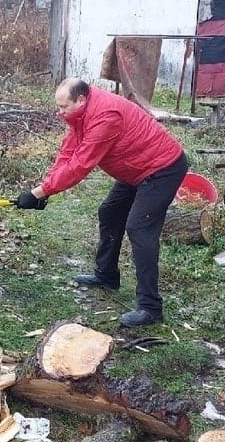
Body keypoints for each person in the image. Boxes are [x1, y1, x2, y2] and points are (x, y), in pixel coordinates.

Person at [15, 77, 188, 328]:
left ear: (81, 99)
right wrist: (45, 189)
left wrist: (39, 192)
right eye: (59, 106)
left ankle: (150, 308)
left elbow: (81, 164)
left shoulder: (105, 116)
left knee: (139, 228)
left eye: (64, 107)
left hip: (162, 168)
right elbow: (68, 152)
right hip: (136, 168)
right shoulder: (81, 114)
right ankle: (107, 276)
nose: (59, 112)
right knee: (109, 213)